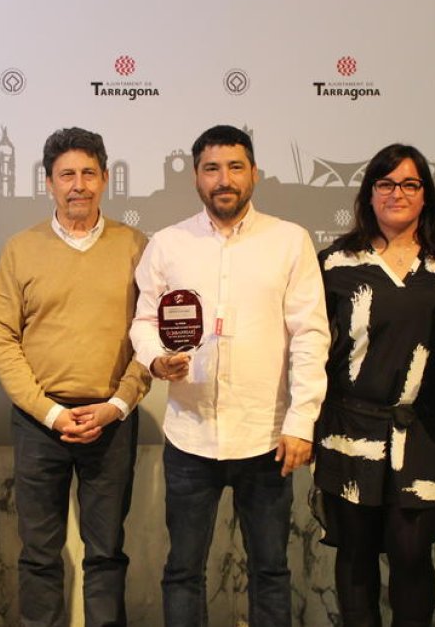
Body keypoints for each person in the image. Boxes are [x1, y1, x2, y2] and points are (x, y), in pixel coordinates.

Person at [129, 125, 330, 626]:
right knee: (182, 570)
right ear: (196, 177)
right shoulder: (169, 244)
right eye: (212, 168)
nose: (224, 179)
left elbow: (310, 335)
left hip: (266, 438)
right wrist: (156, 359)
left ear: (254, 174)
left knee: (270, 570)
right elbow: (144, 320)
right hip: (190, 436)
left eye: (235, 167)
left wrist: (302, 421)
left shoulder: (290, 241)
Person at [0, 127, 151, 626]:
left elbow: (151, 337)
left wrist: (117, 404)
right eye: (66, 175)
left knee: (106, 552)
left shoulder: (137, 246)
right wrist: (52, 413)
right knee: (39, 554)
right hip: (40, 423)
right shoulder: (21, 249)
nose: (78, 184)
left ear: (104, 179)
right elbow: (2, 339)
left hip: (112, 420)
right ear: (49, 183)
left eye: (87, 173)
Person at [313, 144, 435, 627]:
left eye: (410, 184)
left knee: (412, 554)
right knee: (355, 557)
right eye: (386, 183)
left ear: (426, 196)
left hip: (424, 432)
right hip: (349, 427)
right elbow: (309, 348)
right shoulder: (334, 263)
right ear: (369, 194)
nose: (398, 193)